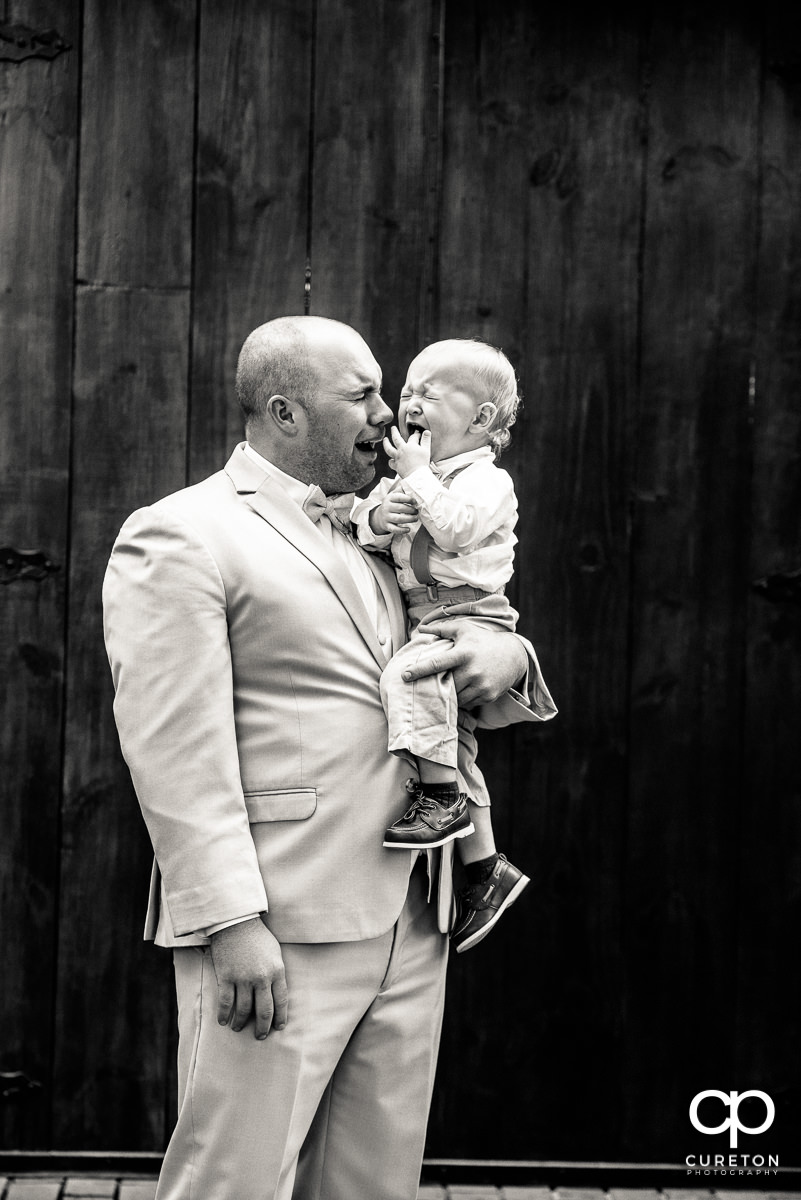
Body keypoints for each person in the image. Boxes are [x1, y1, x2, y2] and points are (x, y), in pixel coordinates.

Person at [102, 315, 548, 1200]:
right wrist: (230, 923)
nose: (389, 416)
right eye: (363, 396)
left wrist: (508, 659)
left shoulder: (389, 524)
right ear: (285, 412)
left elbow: (456, 656)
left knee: (371, 1186)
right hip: (279, 928)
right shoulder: (182, 535)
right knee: (234, 1182)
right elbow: (172, 751)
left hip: (415, 918)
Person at [353, 339, 556, 953]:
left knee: (408, 677)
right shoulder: (420, 480)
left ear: (481, 421)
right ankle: (486, 868)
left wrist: (415, 481)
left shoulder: (485, 480)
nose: (407, 404)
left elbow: (456, 529)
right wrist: (374, 519)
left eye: (428, 395)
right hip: (429, 612)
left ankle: (441, 800)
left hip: (470, 614)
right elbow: (373, 528)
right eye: (407, 390)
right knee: (458, 746)